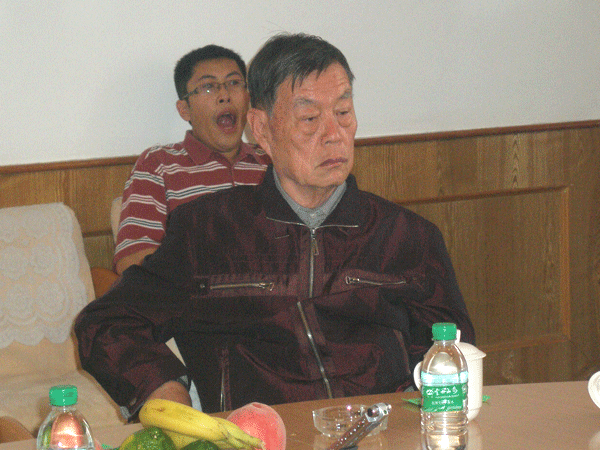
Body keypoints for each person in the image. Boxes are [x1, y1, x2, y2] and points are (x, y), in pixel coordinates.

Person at [75, 33, 475, 417]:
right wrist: (166, 390)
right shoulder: (206, 232)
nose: (334, 135)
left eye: (343, 113)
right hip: (262, 435)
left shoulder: (407, 235)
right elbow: (107, 323)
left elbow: (450, 345)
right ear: (262, 129)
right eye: (309, 118)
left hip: (381, 430)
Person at [113, 45, 271, 274]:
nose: (225, 95)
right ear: (184, 109)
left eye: (234, 83)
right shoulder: (159, 165)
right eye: (208, 86)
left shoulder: (272, 160)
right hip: (195, 292)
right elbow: (132, 258)